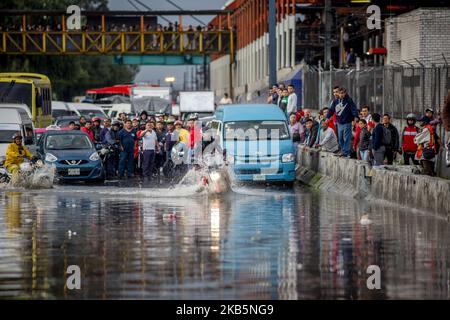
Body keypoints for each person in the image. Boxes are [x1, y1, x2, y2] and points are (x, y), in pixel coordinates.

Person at [326, 87, 359, 157]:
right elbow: (331, 110)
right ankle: (343, 150)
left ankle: (346, 152)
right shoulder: (335, 101)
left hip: (347, 122)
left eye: (342, 93)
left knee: (347, 137)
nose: (341, 95)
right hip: (339, 122)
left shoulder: (349, 100)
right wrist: (327, 117)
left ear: (345, 93)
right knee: (340, 138)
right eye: (340, 93)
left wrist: (356, 116)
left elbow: (354, 108)